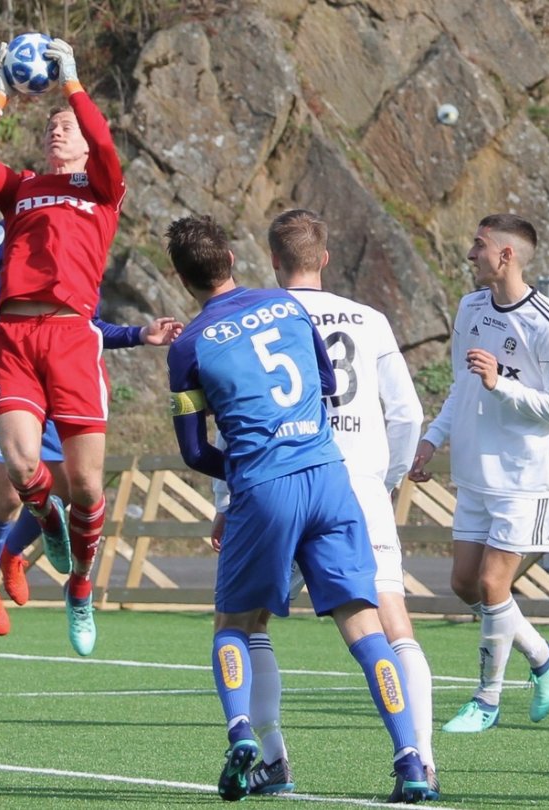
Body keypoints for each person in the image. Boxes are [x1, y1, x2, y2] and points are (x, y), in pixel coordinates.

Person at [164, 214, 429, 803]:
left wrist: (248, 469)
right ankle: (411, 759)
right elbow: (327, 383)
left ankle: (244, 735)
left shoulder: (187, 346)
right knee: (366, 629)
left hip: (264, 487)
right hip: (331, 477)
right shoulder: (287, 307)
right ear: (233, 259)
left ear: (183, 279)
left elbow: (193, 450)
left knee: (235, 625)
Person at [0, 224, 182, 637]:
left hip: (59, 368)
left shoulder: (86, 233)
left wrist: (138, 335)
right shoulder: (18, 222)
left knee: (67, 486)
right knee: (10, 491)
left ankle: (12, 552)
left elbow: (87, 326)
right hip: (5, 364)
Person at [0, 37, 125, 656]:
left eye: (68, 125)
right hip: (15, 337)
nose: (58, 130)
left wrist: (74, 85)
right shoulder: (23, 187)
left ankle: (80, 588)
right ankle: (45, 521)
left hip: (72, 336)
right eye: (51, 124)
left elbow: (103, 142)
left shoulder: (101, 187)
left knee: (86, 485)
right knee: (24, 469)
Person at [407, 213, 549, 733]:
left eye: (478, 245)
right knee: (465, 584)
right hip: (475, 472)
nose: (469, 254)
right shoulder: (471, 307)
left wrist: (500, 382)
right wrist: (432, 438)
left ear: (506, 255)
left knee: (491, 582)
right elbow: (462, 384)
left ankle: (487, 699)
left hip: (524, 478)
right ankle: (544, 656)